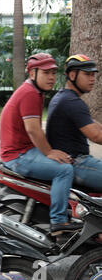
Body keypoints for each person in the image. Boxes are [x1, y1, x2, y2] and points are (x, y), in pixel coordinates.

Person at [0, 52, 81, 236]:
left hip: (22, 150)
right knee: (64, 169)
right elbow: (33, 130)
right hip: (17, 156)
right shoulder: (29, 93)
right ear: (32, 73)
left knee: (63, 158)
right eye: (46, 73)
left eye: (53, 72)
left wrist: (51, 151)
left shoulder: (35, 91)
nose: (51, 77)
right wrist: (50, 152)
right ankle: (59, 222)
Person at [46, 54, 102, 192]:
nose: (92, 79)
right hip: (77, 163)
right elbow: (96, 136)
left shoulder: (64, 97)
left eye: (93, 75)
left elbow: (93, 124)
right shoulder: (72, 102)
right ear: (72, 75)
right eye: (87, 74)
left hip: (74, 161)